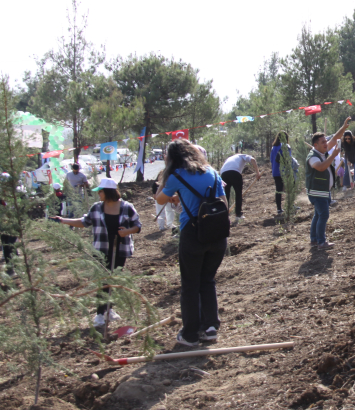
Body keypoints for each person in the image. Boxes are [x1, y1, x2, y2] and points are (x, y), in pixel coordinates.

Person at [155, 139, 227, 346]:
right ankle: (210, 327)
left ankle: (190, 334)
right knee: (207, 281)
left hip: (192, 235)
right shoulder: (212, 173)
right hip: (217, 235)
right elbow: (224, 204)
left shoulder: (176, 176)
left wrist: (166, 177)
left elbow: (160, 199)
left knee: (190, 285)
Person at [53, 178, 142, 327]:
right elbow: (83, 222)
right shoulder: (97, 208)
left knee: (113, 279)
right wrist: (63, 220)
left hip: (120, 250)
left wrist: (127, 231)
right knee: (103, 281)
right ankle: (100, 314)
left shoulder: (127, 207)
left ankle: (109, 310)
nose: (98, 194)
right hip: (101, 250)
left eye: (100, 192)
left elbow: (138, 226)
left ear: (108, 192)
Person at [305, 117, 351, 249]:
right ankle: (321, 242)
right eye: (323, 142)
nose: (326, 144)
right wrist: (333, 155)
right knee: (323, 215)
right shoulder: (313, 156)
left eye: (326, 141)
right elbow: (320, 167)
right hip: (317, 191)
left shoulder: (321, 151)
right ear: (316, 145)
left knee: (318, 215)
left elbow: (335, 138)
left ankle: (314, 240)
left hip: (323, 191)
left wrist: (343, 128)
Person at [219, 153, 260, 222]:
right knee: (238, 194)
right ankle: (238, 215)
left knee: (225, 195)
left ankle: (224, 215)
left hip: (223, 174)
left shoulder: (229, 158)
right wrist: (257, 173)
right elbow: (253, 159)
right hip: (234, 172)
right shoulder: (242, 156)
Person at [271, 132, 294, 215]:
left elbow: (271, 160)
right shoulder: (286, 146)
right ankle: (291, 206)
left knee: (278, 190)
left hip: (275, 171)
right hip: (284, 171)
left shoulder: (273, 148)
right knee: (290, 187)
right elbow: (288, 159)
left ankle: (279, 209)